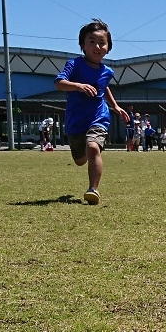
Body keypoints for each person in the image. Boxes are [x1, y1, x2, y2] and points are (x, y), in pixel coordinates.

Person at [55, 19, 130, 205]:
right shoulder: (74, 65)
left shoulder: (107, 71)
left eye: (102, 43)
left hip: (98, 117)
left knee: (93, 147)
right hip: (75, 121)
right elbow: (59, 83)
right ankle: (86, 159)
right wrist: (78, 86)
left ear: (108, 47)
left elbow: (104, 88)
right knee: (80, 160)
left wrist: (115, 107)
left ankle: (93, 189)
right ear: (82, 45)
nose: (97, 46)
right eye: (92, 42)